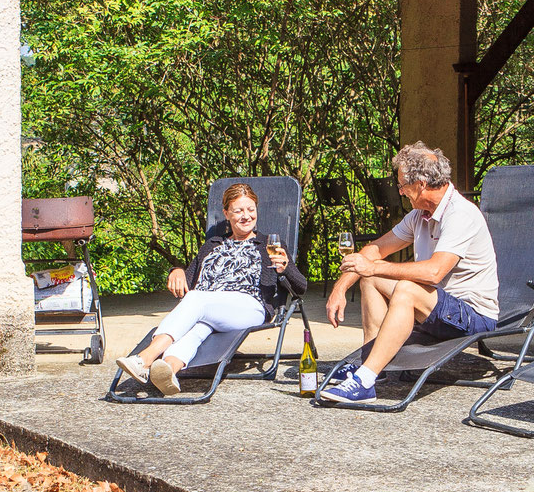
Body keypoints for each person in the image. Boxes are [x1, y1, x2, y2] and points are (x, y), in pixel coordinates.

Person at [319, 142, 499, 405]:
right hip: (438, 307)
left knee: (406, 288)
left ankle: (365, 380)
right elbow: (375, 250)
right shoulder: (419, 215)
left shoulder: (460, 214)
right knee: (371, 278)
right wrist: (341, 287)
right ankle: (371, 363)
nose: (401, 191)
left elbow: (434, 272)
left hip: (473, 314)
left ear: (422, 183)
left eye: (403, 185)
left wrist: (376, 266)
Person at [115, 182, 307, 396]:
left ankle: (145, 359)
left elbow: (301, 287)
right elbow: (188, 278)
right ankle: (168, 369)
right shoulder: (211, 245)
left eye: (251, 210)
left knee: (197, 300)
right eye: (238, 211)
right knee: (197, 328)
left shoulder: (269, 245)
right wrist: (176, 270)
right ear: (226, 213)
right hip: (208, 309)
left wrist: (285, 268)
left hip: (248, 308)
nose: (246, 216)